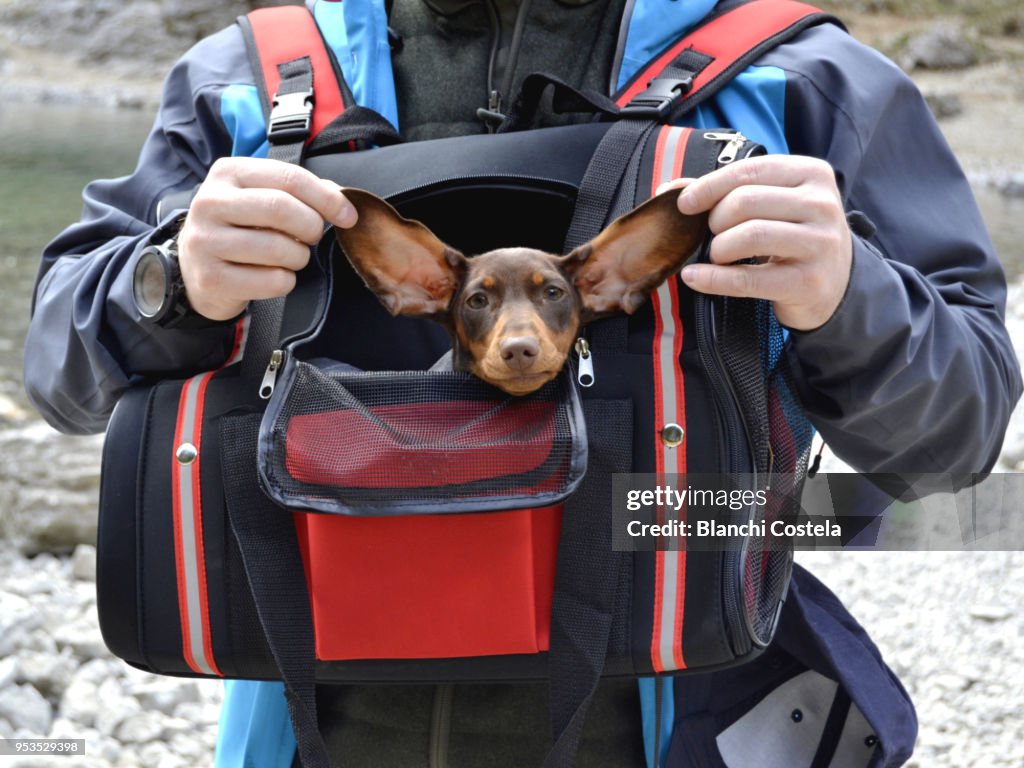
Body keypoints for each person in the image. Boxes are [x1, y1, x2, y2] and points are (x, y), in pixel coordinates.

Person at [24, 0, 1021, 766]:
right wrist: (167, 283)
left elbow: (955, 439)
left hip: (681, 725)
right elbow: (60, 374)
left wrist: (850, 296)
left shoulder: (801, 79)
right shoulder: (242, 83)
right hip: (308, 726)